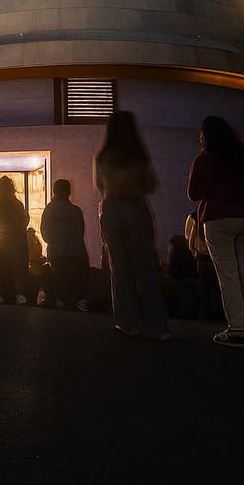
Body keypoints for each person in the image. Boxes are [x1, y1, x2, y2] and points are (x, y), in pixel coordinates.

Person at [95, 111, 169, 339]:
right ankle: (156, 326)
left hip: (111, 210)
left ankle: (128, 322)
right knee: (146, 267)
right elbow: (152, 185)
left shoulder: (103, 157)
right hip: (137, 209)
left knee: (119, 269)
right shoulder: (139, 157)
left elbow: (99, 185)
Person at [187, 114, 244, 347]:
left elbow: (194, 194)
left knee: (227, 275)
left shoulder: (204, 159)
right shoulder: (242, 159)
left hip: (218, 218)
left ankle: (236, 329)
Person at [40, 179, 89, 311]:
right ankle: (79, 302)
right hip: (77, 254)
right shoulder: (76, 211)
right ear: (69, 192)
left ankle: (54, 298)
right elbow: (80, 232)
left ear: (54, 191)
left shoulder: (49, 210)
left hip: (57, 254)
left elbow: (45, 234)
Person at [0, 175, 29, 304]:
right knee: (17, 267)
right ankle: (19, 294)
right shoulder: (17, 204)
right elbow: (24, 221)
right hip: (16, 241)